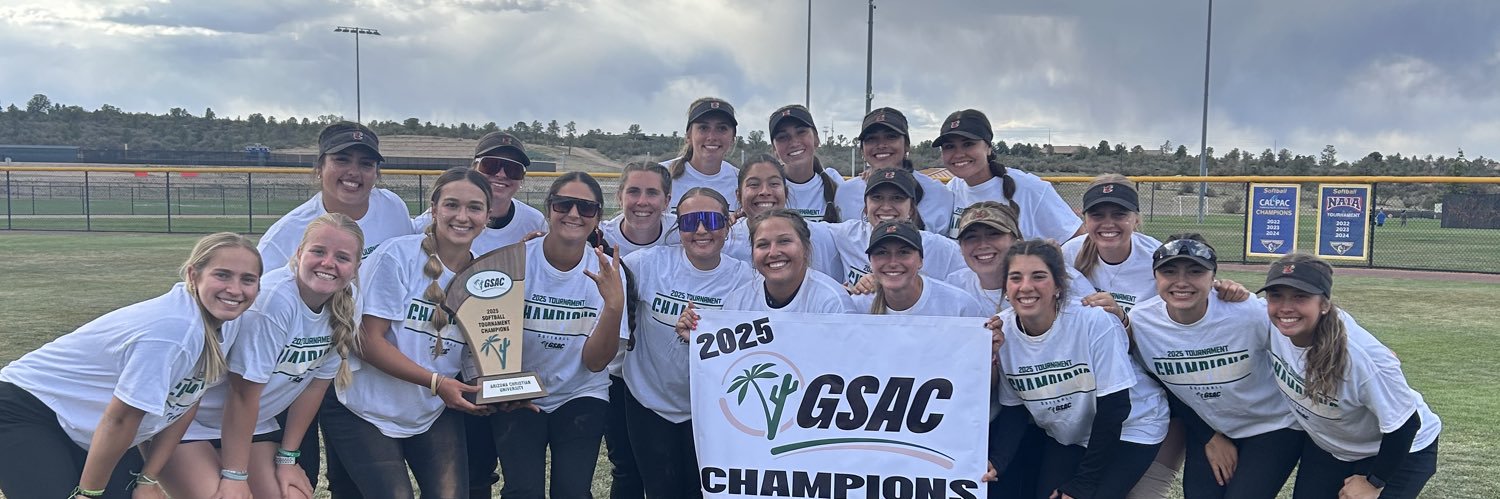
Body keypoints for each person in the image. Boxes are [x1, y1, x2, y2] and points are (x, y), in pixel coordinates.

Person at [0, 233, 261, 499]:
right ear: (194, 275)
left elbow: (185, 402)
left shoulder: (228, 323)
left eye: (248, 279)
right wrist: (88, 495)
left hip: (88, 425)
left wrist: (148, 479)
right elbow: (121, 418)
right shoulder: (175, 332)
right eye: (223, 275)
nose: (235, 290)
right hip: (25, 409)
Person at [256, 122, 413, 498]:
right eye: (341, 159)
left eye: (365, 163)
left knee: (354, 481)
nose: (354, 172)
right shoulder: (287, 234)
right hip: (300, 371)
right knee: (296, 474)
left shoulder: (392, 207)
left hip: (365, 369)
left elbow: (409, 259)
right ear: (319, 167)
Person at [162, 214, 365, 499]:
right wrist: (235, 476)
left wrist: (287, 458)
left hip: (252, 425)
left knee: (292, 495)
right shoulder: (274, 300)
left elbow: (314, 387)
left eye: (342, 257)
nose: (328, 263)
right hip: (190, 421)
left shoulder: (348, 302)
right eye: (318, 251)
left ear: (356, 268)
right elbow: (241, 393)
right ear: (298, 253)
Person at [319, 168, 494, 498]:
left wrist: (506, 389)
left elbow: (478, 354)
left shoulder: (486, 276)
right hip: (364, 407)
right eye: (452, 205)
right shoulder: (398, 255)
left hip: (430, 409)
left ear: (488, 215)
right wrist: (436, 382)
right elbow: (365, 340)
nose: (462, 216)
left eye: (474, 208)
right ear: (434, 208)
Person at [988, 240, 1170, 499]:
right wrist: (997, 462)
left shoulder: (1093, 321)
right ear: (1005, 287)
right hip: (1071, 434)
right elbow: (1014, 409)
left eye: (1039, 276)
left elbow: (1115, 407)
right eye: (1015, 278)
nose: (1025, 287)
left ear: (1059, 286)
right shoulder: (1002, 333)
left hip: (1132, 426)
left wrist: (1084, 484)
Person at [1128, 234, 1304, 499]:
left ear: (1213, 279)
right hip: (1212, 428)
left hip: (1272, 426)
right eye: (1169, 271)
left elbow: (1308, 335)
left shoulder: (1247, 313)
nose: (1182, 281)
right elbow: (1163, 388)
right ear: (1155, 277)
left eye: (1196, 271)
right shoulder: (1141, 324)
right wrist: (1209, 436)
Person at [490, 172, 628, 499]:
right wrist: (504, 386)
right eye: (564, 204)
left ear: (598, 218)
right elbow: (491, 337)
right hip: (520, 388)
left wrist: (613, 305)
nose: (574, 214)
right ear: (549, 208)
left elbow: (596, 363)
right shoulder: (516, 260)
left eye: (587, 208)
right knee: (523, 491)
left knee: (572, 491)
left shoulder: (608, 269)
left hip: (580, 391)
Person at [1259, 254, 1441, 499]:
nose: (1285, 307)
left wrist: (1374, 482)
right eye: (1276, 295)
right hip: (1335, 446)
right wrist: (1222, 288)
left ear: (1324, 304)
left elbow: (1406, 424)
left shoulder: (1360, 358)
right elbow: (1224, 304)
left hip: (1401, 449)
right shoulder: (1271, 322)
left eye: (1300, 296)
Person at [623, 188, 754, 499]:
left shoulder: (747, 278)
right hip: (649, 400)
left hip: (711, 408)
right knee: (659, 490)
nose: (700, 231)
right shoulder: (645, 264)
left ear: (728, 225)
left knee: (702, 492)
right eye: (689, 222)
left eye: (711, 220)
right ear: (677, 226)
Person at [598, 162, 678, 499]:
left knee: (669, 470)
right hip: (614, 371)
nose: (642, 201)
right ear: (619, 196)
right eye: (633, 191)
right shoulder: (599, 234)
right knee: (626, 467)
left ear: (667, 200)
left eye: (652, 192)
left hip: (662, 372)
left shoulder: (684, 232)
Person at [679, 209, 856, 323]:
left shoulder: (833, 301)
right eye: (763, 245)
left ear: (805, 247)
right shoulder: (738, 302)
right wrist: (696, 336)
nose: (773, 252)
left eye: (784, 241)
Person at [935, 109, 1080, 243]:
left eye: (968, 144)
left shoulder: (1031, 188)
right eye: (949, 146)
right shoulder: (951, 190)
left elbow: (1077, 242)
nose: (959, 154)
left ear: (989, 147)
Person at [414, 132, 548, 256]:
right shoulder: (436, 218)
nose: (501, 174)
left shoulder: (534, 221)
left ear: (522, 178)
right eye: (490, 165)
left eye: (513, 169)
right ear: (474, 168)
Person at [826, 168, 967, 286]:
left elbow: (975, 282)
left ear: (911, 208)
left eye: (897, 198)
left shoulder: (939, 247)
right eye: (877, 197)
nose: (886, 207)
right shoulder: (846, 235)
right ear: (865, 207)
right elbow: (805, 229)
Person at [949, 201, 1094, 314]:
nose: (982, 244)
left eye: (994, 234)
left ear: (1016, 241)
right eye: (971, 237)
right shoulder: (953, 286)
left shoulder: (1062, 278)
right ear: (961, 248)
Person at [723, 154, 845, 280]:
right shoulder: (726, 241)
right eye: (754, 184)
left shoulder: (818, 235)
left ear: (786, 193)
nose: (765, 191)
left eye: (774, 184)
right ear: (738, 195)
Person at [834, 107, 955, 233]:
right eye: (871, 139)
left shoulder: (939, 193)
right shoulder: (845, 192)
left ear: (907, 145)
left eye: (891, 137)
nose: (881, 145)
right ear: (862, 149)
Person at [851, 219, 986, 317]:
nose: (892, 262)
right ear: (870, 262)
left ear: (920, 260)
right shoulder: (857, 306)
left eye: (903, 252)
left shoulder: (960, 305)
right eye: (882, 253)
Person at [663, 97, 740, 212]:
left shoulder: (740, 180)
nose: (712, 137)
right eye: (703, 128)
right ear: (688, 136)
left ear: (733, 138)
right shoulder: (662, 175)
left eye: (722, 128)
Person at [768, 104, 843, 222]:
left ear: (816, 139)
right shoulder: (765, 188)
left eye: (801, 132)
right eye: (783, 137)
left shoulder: (837, 183)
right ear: (774, 149)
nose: (794, 142)